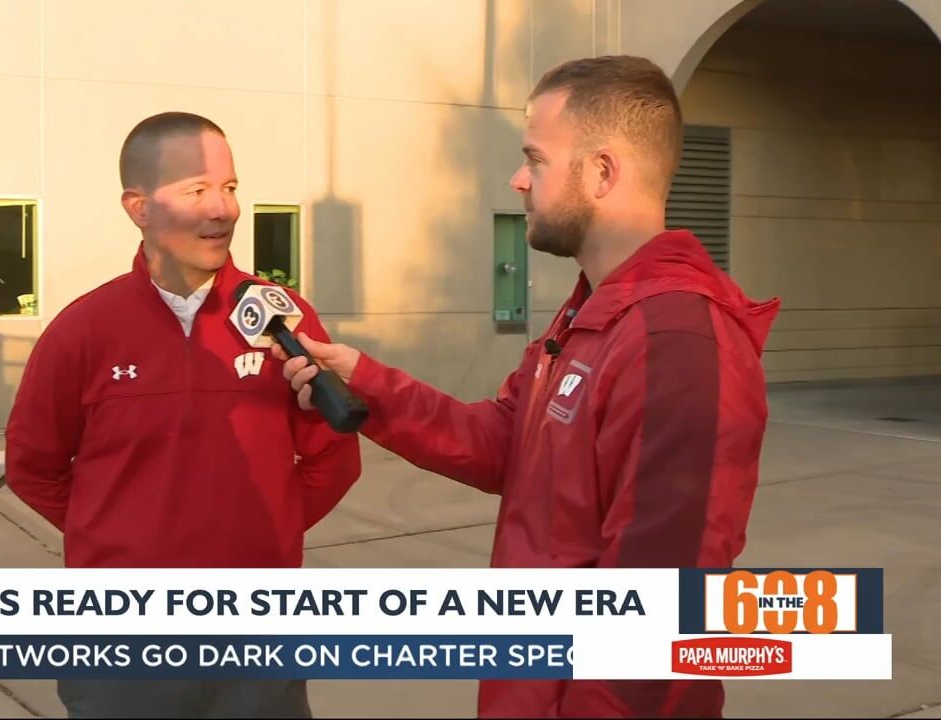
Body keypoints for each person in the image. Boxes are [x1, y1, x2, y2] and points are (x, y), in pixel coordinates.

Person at [276, 56, 781, 718]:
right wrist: (365, 382)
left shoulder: (676, 343)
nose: (517, 180)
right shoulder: (590, 317)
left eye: (535, 160)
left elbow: (658, 615)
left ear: (603, 171)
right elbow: (499, 443)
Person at [5, 111, 362, 718]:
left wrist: (260, 539)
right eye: (197, 189)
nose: (222, 209)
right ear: (139, 207)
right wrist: (118, 541)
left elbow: (332, 458)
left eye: (229, 188)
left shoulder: (284, 319)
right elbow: (32, 465)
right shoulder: (84, 331)